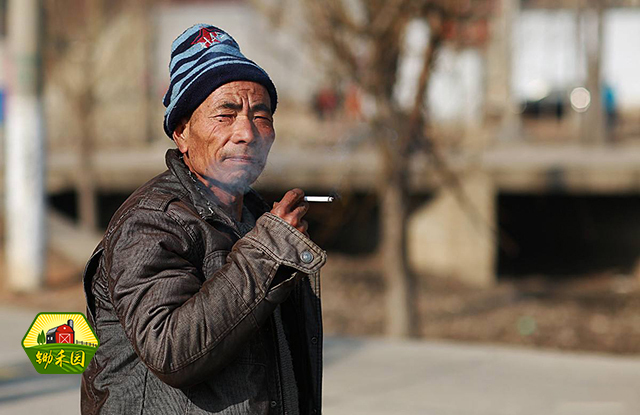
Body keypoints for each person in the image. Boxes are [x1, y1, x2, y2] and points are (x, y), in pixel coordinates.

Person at [81, 24, 326, 415]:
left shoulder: (256, 218)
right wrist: (267, 252)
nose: (247, 133)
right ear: (182, 132)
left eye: (261, 116)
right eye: (225, 115)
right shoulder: (151, 222)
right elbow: (171, 351)